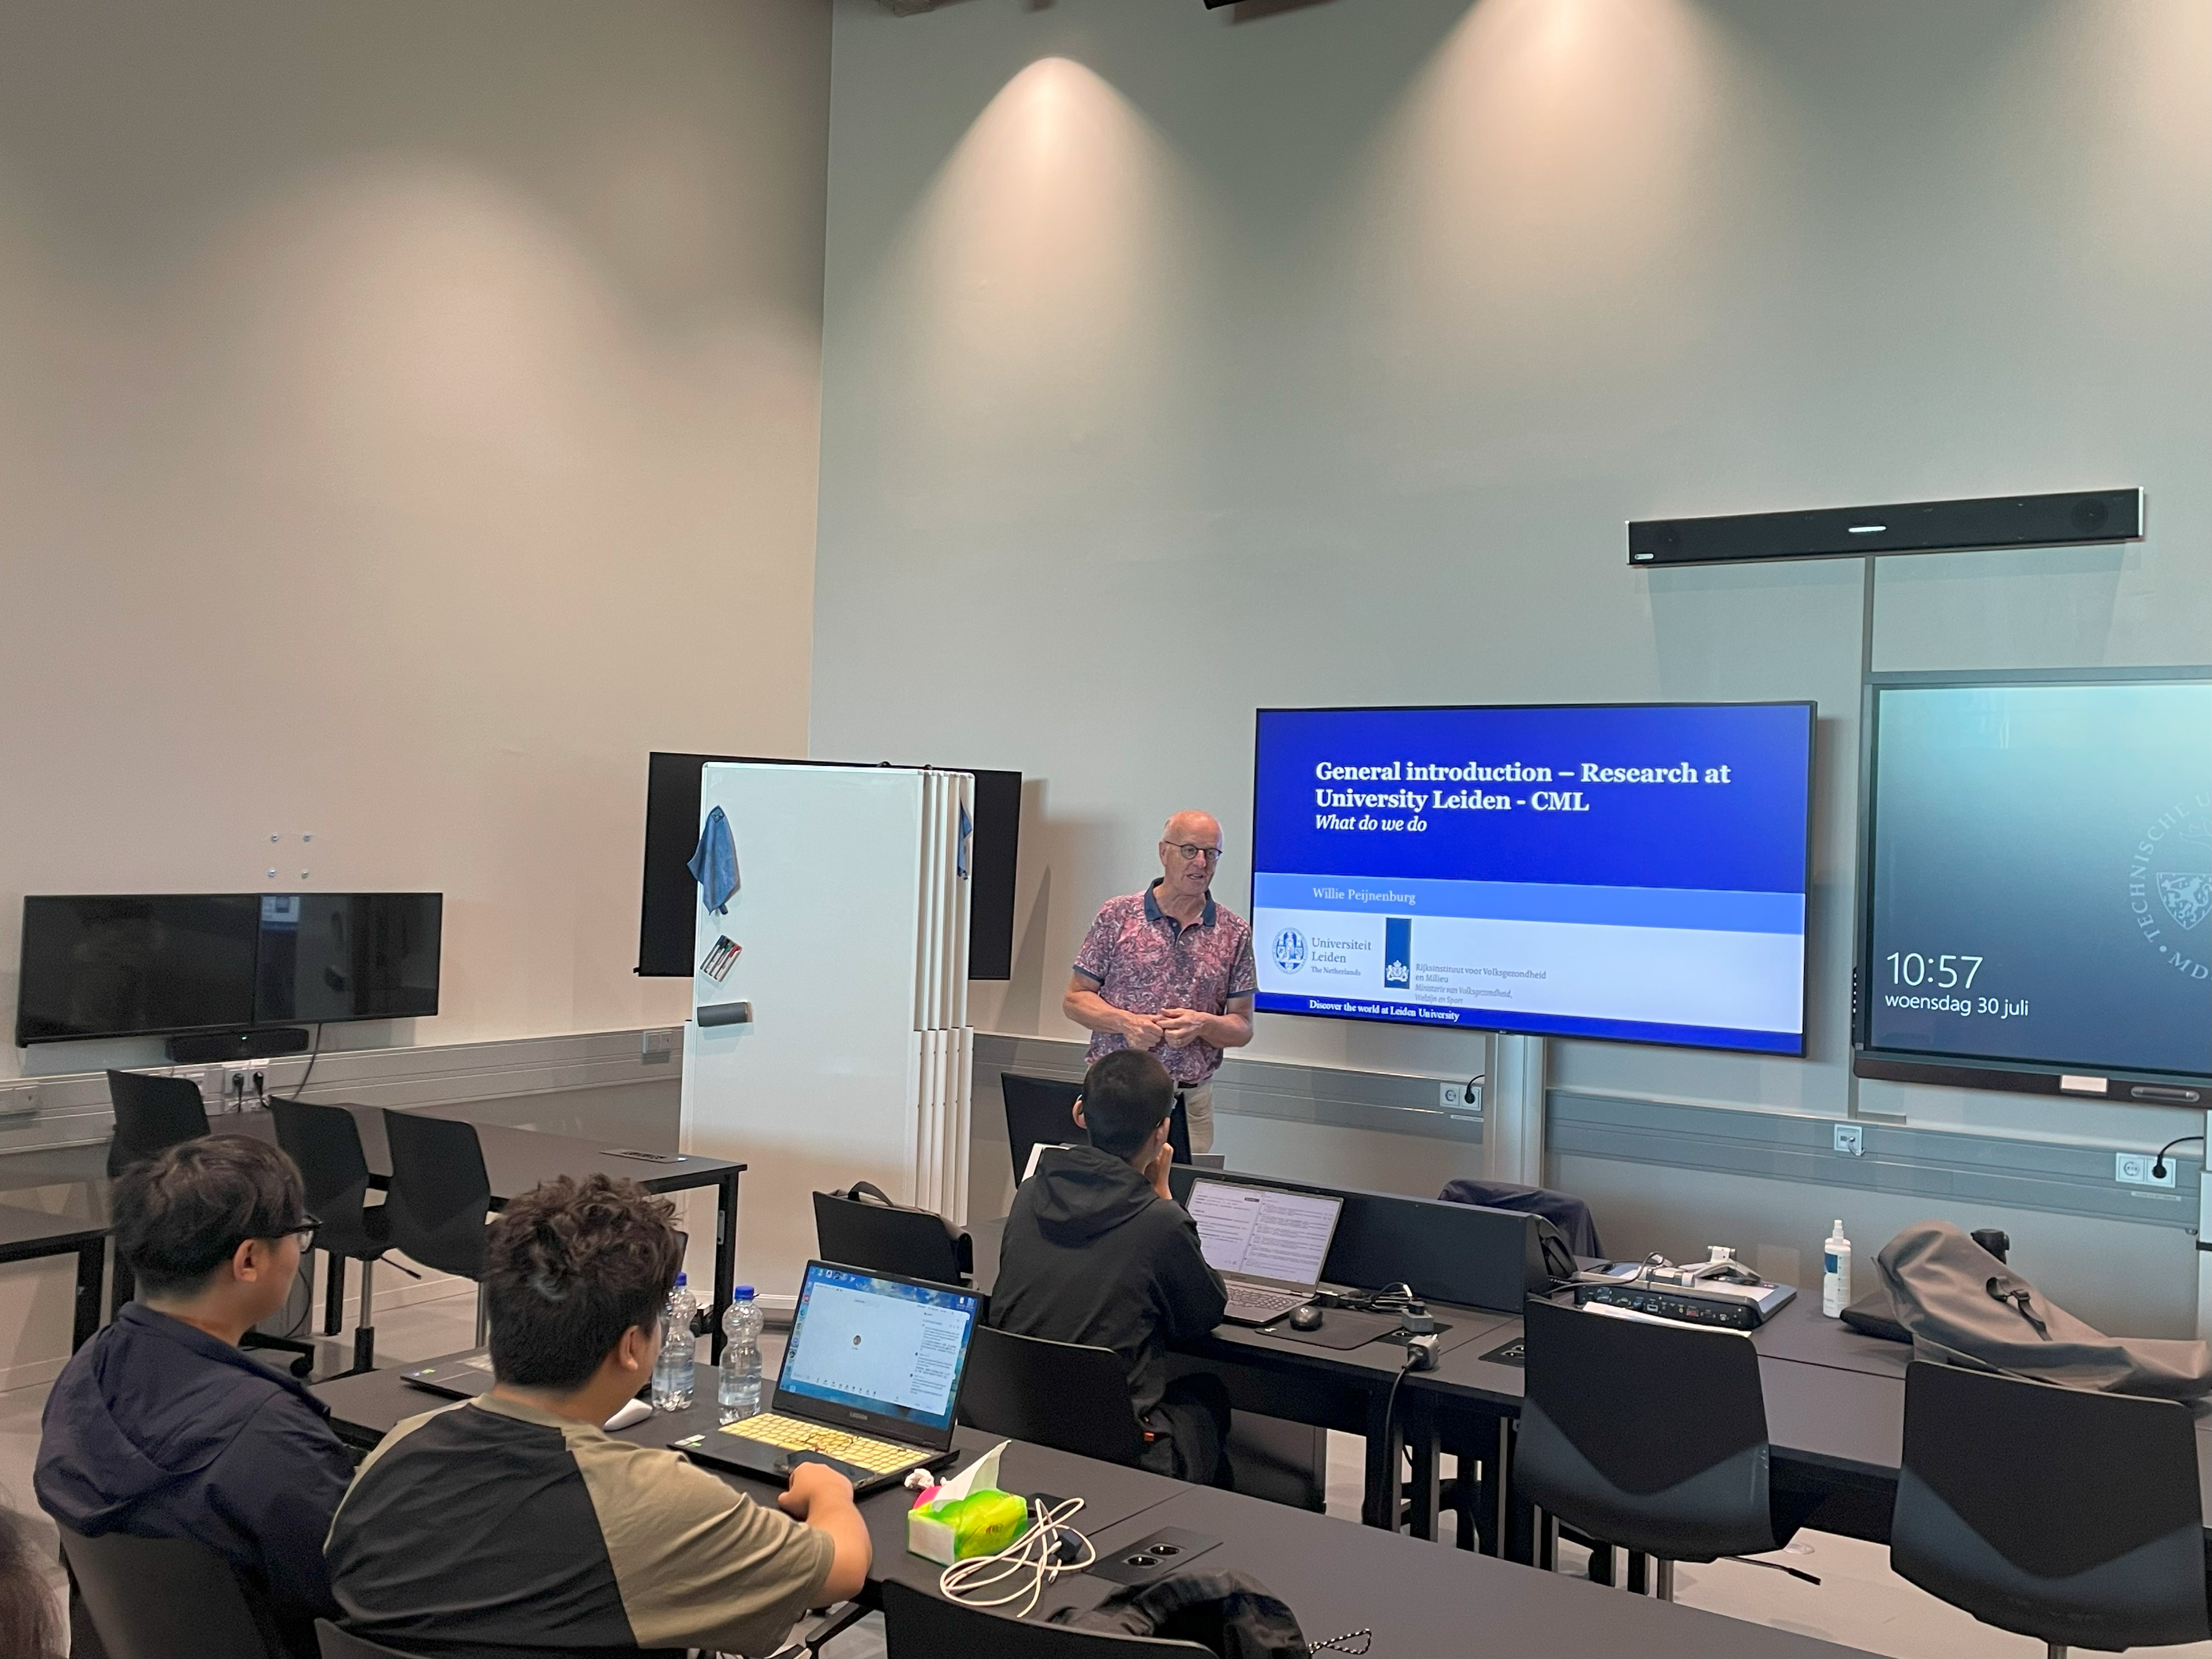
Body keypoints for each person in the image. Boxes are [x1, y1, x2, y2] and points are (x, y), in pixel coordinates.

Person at [326, 1173, 868, 1657]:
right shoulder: (652, 1498)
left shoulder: (398, 1447)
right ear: (632, 1347)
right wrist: (829, 1492)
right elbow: (843, 1569)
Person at [35, 1136, 352, 1659]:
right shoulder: (269, 1431)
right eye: (299, 1234)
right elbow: (347, 1591)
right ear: (249, 1259)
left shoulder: (88, 1370)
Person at [989, 1049, 1232, 1483]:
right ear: (1162, 1131)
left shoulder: (1029, 1196)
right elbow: (1204, 1314)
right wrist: (1163, 1194)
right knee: (1208, 1396)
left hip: (1022, 1426)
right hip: (1124, 1447)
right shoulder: (1159, 1223)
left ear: (1080, 1112)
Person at [1064, 810, 1257, 1156]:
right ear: (1164, 852)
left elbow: (1243, 1027)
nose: (1201, 863)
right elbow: (1075, 1000)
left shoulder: (1234, 932)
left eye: (1211, 853)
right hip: (1115, 1098)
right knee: (1107, 1187)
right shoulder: (1117, 915)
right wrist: (1127, 1023)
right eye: (1190, 850)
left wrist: (1203, 1024)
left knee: (1183, 1189)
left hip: (1190, 1100)